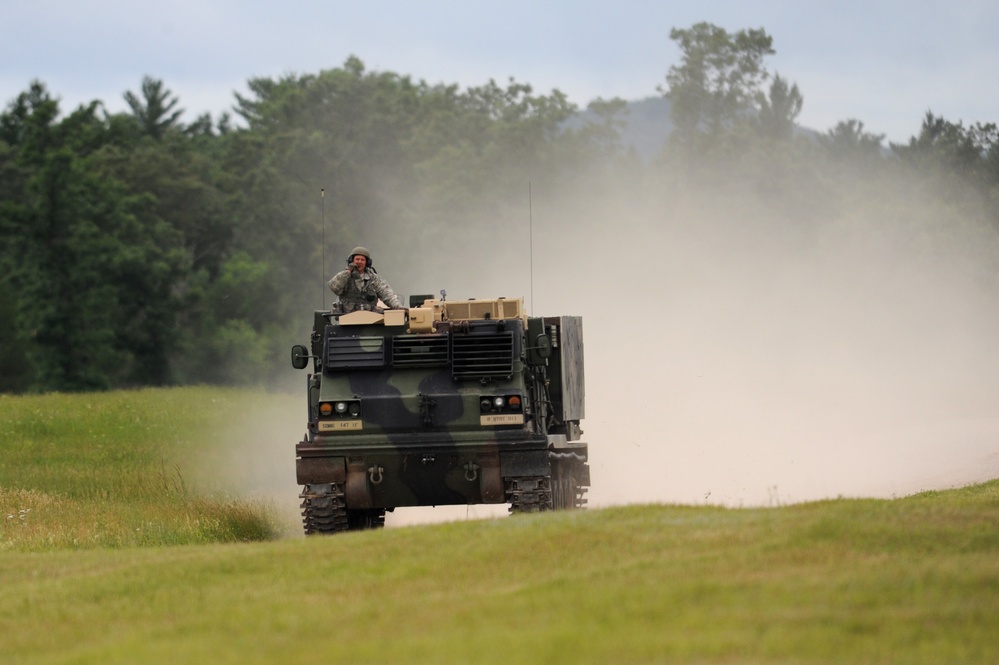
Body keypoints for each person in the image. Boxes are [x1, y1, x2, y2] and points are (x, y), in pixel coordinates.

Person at [327, 246, 403, 313]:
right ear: (352, 260)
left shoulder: (374, 279)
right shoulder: (345, 277)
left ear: (367, 262)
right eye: (357, 259)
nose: (359, 262)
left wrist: (398, 307)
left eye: (362, 260)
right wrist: (348, 272)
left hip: (370, 318)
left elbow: (387, 295)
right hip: (348, 319)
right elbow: (335, 288)